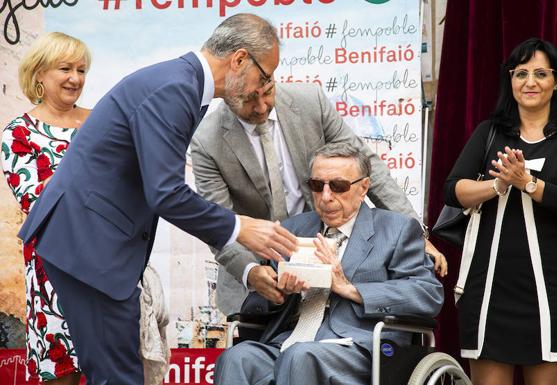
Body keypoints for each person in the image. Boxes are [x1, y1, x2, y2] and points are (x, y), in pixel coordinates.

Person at [16, 14, 298, 385]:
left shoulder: (182, 86)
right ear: (240, 59)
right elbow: (165, 193)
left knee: (115, 373)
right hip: (89, 247)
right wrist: (237, 227)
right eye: (264, 76)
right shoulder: (174, 89)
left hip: (91, 246)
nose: (261, 90)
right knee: (118, 377)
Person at [190, 82, 448, 315]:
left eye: (267, 93)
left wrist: (418, 237)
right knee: (245, 358)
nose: (261, 106)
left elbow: (368, 167)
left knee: (307, 353)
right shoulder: (206, 140)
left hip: (330, 271)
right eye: (248, 99)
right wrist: (252, 272)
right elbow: (218, 223)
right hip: (259, 275)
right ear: (227, 92)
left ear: (270, 74)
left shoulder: (310, 102)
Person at [215, 142, 444, 384]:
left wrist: (349, 288)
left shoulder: (396, 229)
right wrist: (276, 291)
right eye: (317, 185)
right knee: (236, 358)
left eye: (338, 186)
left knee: (300, 356)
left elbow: (427, 294)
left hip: (358, 346)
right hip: (289, 339)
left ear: (364, 187)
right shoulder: (293, 229)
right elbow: (256, 303)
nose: (326, 197)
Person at [444, 38, 557, 385]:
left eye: (541, 73)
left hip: (551, 291)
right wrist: (497, 186)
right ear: (510, 80)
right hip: (489, 290)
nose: (530, 82)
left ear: (556, 82)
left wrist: (528, 183)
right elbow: (452, 190)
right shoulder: (490, 132)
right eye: (521, 73)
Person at [1, 32, 91, 385]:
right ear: (39, 74)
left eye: (81, 70)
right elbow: (36, 203)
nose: (76, 78)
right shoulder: (18, 134)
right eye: (65, 68)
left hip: (111, 268)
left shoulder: (101, 122)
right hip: (53, 273)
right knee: (62, 376)